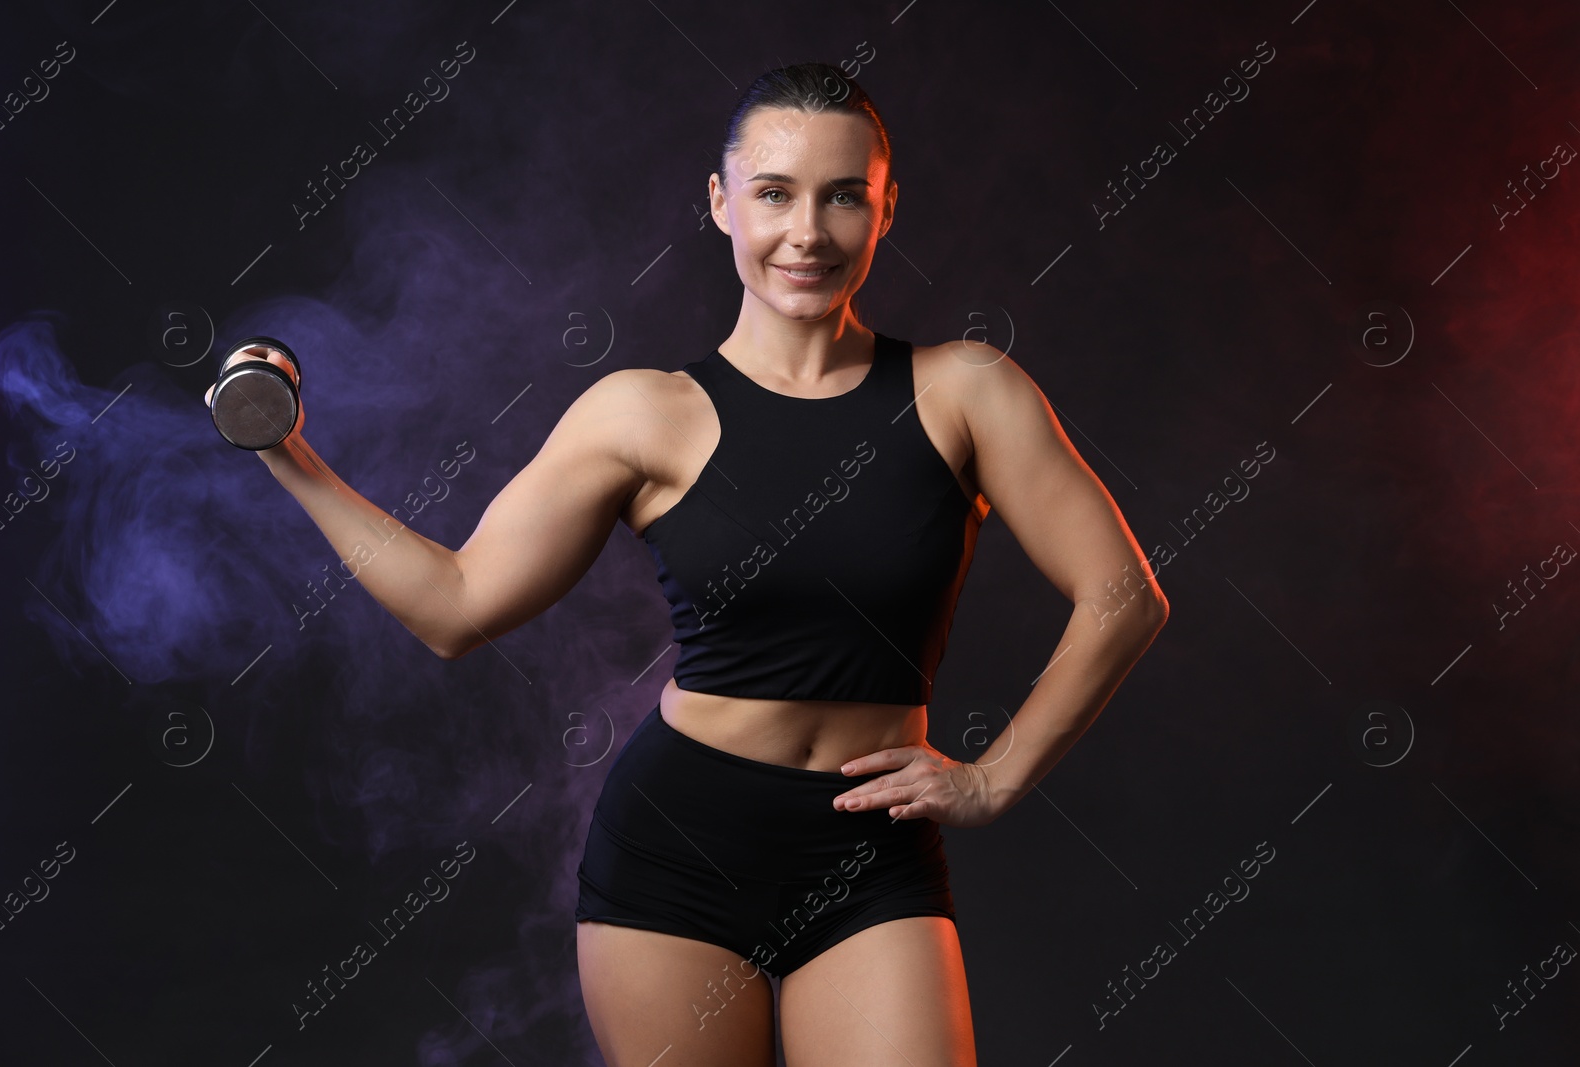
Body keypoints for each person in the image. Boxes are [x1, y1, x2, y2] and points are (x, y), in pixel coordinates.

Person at [206, 61, 1168, 1067]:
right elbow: (455, 603)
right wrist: (289, 452)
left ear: (886, 209)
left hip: (868, 855)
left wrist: (992, 779)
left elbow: (1122, 597)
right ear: (720, 202)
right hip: (678, 854)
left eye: (844, 195)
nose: (808, 231)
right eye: (774, 193)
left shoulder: (966, 391)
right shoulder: (641, 413)